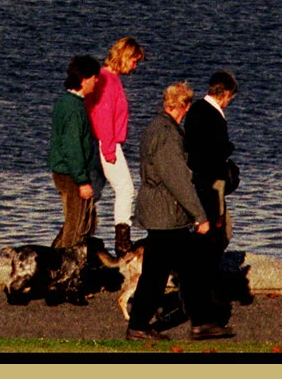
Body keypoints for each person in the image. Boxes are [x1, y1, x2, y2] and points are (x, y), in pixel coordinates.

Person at [127, 82, 226, 341]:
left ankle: (146, 324)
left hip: (159, 212)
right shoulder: (168, 135)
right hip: (166, 215)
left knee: (168, 271)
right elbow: (178, 181)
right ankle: (196, 323)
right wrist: (200, 216)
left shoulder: (154, 128)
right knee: (176, 271)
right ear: (184, 106)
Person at [86, 36, 146, 257]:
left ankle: (82, 233)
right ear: (124, 56)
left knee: (95, 191)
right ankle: (122, 244)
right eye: (134, 61)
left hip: (101, 142)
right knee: (125, 188)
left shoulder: (106, 78)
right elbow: (103, 117)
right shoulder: (107, 79)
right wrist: (109, 150)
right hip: (106, 142)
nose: (134, 66)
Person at [183, 69, 239, 271]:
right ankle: (206, 274)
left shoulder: (196, 108)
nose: (229, 102)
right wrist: (229, 150)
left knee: (202, 227)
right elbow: (216, 152)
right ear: (225, 94)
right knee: (220, 230)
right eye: (230, 97)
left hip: (195, 177)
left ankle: (198, 270)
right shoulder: (215, 117)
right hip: (212, 181)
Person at [48, 54, 104, 248]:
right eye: (95, 77)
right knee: (77, 226)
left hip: (65, 172)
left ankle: (52, 261)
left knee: (73, 223)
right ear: (85, 78)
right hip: (71, 175)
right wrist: (82, 181)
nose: (97, 81)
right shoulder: (73, 108)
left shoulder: (68, 102)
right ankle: (63, 267)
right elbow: (73, 147)